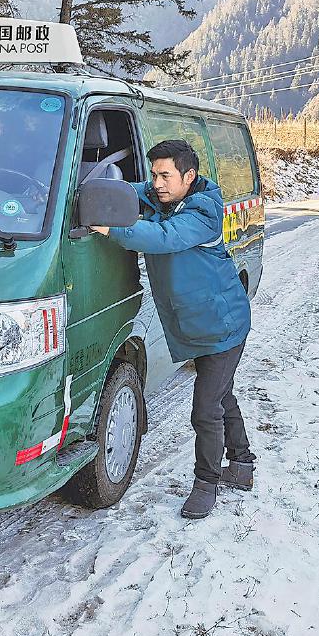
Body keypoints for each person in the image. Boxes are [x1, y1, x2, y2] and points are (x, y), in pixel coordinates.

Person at [90, 139, 254, 519]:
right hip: (201, 324)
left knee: (205, 410)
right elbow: (126, 191)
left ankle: (207, 483)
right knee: (222, 396)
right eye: (154, 174)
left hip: (224, 326)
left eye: (166, 175)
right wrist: (90, 191)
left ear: (189, 176)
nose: (157, 183)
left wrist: (112, 228)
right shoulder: (159, 196)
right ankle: (242, 464)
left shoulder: (204, 213)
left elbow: (165, 238)